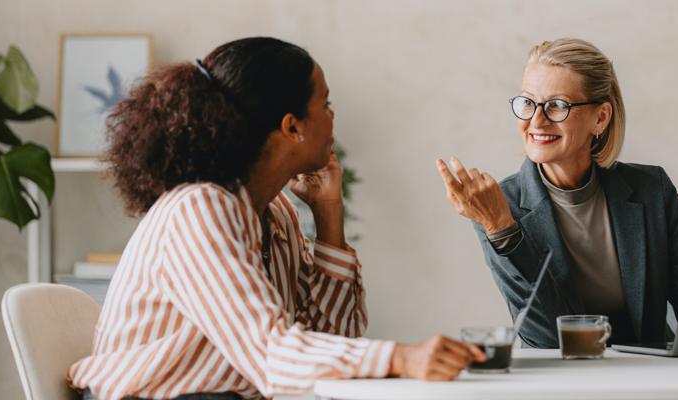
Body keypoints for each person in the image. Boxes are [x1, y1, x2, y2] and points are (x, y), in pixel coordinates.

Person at [69, 37, 483, 400]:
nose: (333, 116)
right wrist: (402, 357)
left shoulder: (276, 213)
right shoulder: (198, 210)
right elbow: (271, 355)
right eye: (325, 104)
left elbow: (331, 342)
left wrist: (328, 215)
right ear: (292, 127)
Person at [436, 38, 678, 348]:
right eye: (527, 103)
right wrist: (501, 229)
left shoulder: (652, 188)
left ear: (600, 118)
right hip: (559, 378)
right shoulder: (496, 205)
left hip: (650, 374)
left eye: (557, 105)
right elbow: (543, 335)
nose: (536, 120)